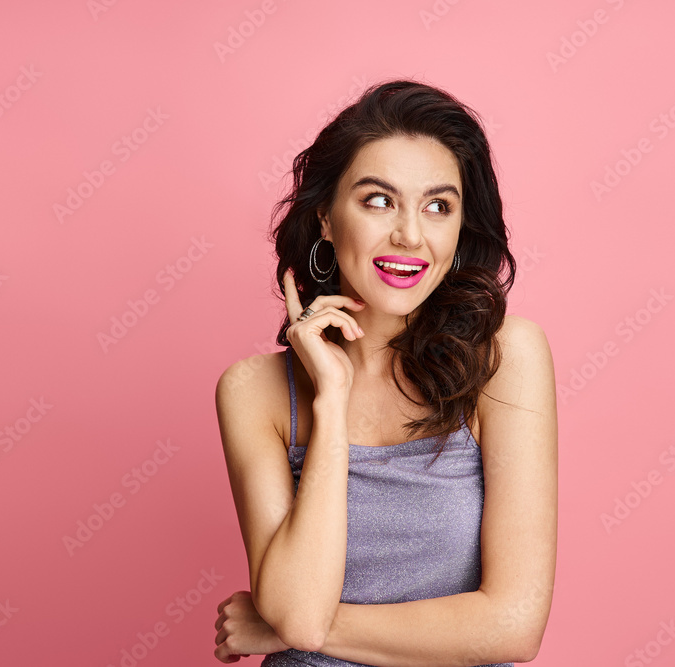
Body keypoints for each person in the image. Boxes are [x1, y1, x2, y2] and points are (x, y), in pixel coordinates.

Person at [213, 79, 557, 666]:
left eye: (437, 206)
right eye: (378, 200)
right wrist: (330, 399)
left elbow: (512, 626)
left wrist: (290, 630)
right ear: (324, 217)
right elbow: (298, 610)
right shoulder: (255, 392)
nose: (410, 234)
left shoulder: (503, 358)